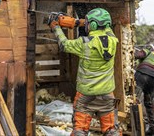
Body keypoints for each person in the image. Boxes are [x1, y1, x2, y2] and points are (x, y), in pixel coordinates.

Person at [48, 8, 122, 136]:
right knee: (111, 130)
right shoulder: (113, 40)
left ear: (92, 25)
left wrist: (56, 27)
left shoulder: (83, 43)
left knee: (80, 130)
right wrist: (78, 22)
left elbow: (64, 45)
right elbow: (104, 26)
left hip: (85, 96)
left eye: (88, 23)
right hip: (107, 95)